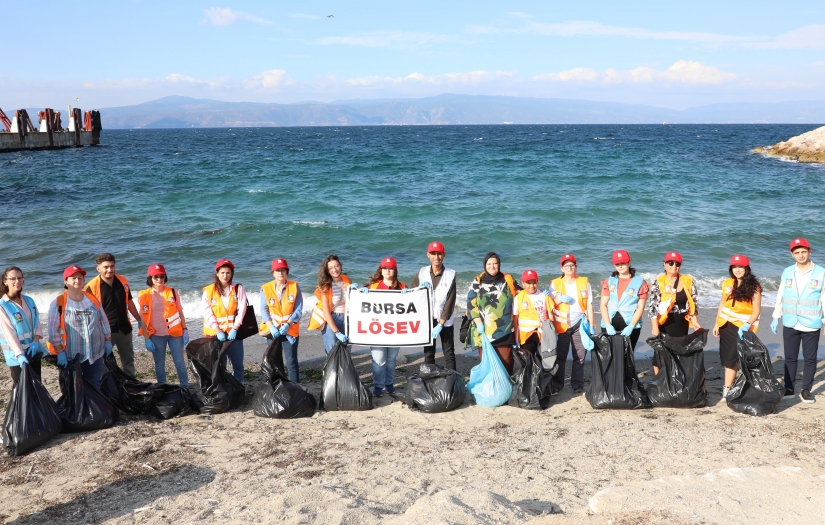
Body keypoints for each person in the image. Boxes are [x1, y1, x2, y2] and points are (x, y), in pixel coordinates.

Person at [771, 238, 824, 403]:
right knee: (790, 357)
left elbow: (824, 298)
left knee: (810, 358)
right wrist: (775, 316)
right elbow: (781, 294)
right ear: (792, 254)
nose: (800, 255)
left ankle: (806, 390)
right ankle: (789, 388)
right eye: (797, 252)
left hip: (812, 322)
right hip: (790, 321)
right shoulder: (787, 272)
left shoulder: (821, 272)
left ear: (810, 252)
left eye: (803, 252)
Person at [47, 265, 112, 390]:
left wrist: (108, 340)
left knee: (94, 384)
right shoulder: (58, 303)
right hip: (71, 355)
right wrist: (60, 352)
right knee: (72, 388)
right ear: (66, 281)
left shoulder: (92, 299)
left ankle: (93, 410)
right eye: (73, 278)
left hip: (95, 353)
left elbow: (104, 321)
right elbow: (53, 331)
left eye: (80, 278)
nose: (77, 281)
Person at [85, 253, 142, 378]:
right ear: (98, 268)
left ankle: (131, 388)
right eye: (106, 267)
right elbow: (88, 313)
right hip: (105, 332)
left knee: (129, 362)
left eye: (112, 266)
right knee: (103, 365)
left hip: (124, 329)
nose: (109, 270)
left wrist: (139, 319)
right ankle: (107, 391)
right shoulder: (90, 287)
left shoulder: (123, 281)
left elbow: (129, 302)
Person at [713, 254, 762, 398]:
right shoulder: (727, 283)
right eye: (734, 267)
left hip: (741, 327)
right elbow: (722, 303)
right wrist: (717, 323)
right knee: (726, 357)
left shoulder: (754, 287)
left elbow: (757, 310)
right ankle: (730, 385)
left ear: (746, 268)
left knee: (731, 358)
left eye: (740, 267)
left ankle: (727, 389)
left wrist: (747, 326)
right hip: (725, 325)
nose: (737, 270)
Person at [648, 251, 701, 375]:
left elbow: (694, 304)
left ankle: (676, 379)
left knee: (679, 352)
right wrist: (655, 327)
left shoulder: (688, 280)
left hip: (682, 322)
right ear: (664, 264)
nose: (674, 266)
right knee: (660, 353)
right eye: (670, 263)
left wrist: (695, 322)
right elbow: (653, 307)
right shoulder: (659, 281)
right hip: (665, 322)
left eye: (677, 264)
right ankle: (659, 380)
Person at [548, 253, 594, 394]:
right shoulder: (554, 284)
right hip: (562, 325)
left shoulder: (584, 282)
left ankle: (577, 384)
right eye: (566, 265)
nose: (570, 268)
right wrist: (559, 299)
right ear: (561, 268)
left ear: (576, 267)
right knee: (560, 356)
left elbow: (590, 304)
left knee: (579, 356)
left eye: (572, 265)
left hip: (580, 323)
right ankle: (558, 383)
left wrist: (591, 325)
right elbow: (549, 305)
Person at [137, 264, 189, 388]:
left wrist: (185, 329)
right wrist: (147, 339)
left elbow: (180, 311)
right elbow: (143, 319)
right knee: (159, 364)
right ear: (150, 278)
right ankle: (162, 387)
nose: (159, 279)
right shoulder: (144, 295)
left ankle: (185, 387)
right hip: (156, 335)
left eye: (161, 276)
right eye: (156, 277)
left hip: (175, 334)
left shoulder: (172, 292)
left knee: (179, 362)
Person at [467, 252, 519, 374]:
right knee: (487, 363)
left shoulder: (508, 279)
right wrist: (478, 322)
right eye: (489, 264)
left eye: (495, 263)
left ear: (499, 264)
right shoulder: (478, 281)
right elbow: (470, 303)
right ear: (485, 265)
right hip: (483, 330)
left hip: (505, 329)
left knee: (506, 361)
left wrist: (539, 294)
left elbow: (521, 293)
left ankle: (506, 389)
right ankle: (491, 390)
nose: (492, 266)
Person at [409, 241, 458, 370]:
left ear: (444, 255)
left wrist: (441, 324)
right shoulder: (422, 272)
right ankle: (429, 381)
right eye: (433, 254)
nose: (436, 257)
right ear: (428, 255)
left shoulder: (450, 274)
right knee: (429, 353)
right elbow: (412, 293)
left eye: (439, 254)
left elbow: (450, 302)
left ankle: (452, 382)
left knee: (449, 353)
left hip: (445, 321)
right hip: (427, 319)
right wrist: (415, 289)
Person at [363, 257, 407, 397]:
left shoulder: (403, 287)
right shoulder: (373, 287)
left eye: (391, 268)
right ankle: (378, 385)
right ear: (381, 270)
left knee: (391, 359)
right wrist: (359, 293)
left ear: (395, 270)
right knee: (378, 360)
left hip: (395, 330)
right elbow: (360, 305)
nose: (388, 271)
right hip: (377, 330)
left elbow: (414, 307)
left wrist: (415, 293)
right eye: (385, 268)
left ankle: (389, 384)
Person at [202, 259, 248, 384]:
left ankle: (239, 387)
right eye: (222, 272)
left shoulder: (238, 288)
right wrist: (218, 331)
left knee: (238, 365)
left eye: (228, 273)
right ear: (217, 273)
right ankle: (223, 390)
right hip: (216, 335)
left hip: (234, 334)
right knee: (219, 366)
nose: (225, 276)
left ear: (232, 273)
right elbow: (207, 313)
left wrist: (235, 328)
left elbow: (242, 309)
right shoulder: (208, 291)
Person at [0, 267, 47, 387]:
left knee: (36, 386)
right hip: (16, 356)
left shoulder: (29, 300)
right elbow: (8, 333)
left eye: (20, 278)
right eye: (13, 278)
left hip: (32, 351)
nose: (17, 281)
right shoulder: (3, 306)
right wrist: (20, 354)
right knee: (21, 389)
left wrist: (36, 341)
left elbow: (37, 323)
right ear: (5, 281)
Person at [260, 258, 303, 383]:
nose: (280, 273)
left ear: (287, 272)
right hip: (272, 331)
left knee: (291, 362)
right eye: (277, 270)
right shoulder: (265, 288)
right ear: (273, 273)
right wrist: (271, 326)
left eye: (283, 270)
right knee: (274, 361)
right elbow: (264, 309)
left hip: (289, 331)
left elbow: (298, 310)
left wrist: (288, 324)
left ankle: (295, 388)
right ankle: (277, 388)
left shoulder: (294, 287)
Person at [599, 250, 649, 351]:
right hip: (609, 323)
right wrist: (608, 325)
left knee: (627, 357)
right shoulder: (609, 281)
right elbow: (603, 304)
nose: (620, 266)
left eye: (623, 263)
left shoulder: (640, 282)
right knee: (610, 355)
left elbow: (640, 307)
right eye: (617, 264)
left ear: (629, 263)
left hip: (630, 324)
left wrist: (631, 326)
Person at [308, 255, 354, 354]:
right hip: (331, 319)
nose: (334, 269)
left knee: (346, 350)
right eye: (331, 268)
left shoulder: (346, 279)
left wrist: (360, 291)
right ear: (327, 270)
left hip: (346, 319)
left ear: (341, 266)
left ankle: (344, 370)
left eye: (336, 266)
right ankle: (331, 370)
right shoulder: (325, 286)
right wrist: (337, 332)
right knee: (332, 352)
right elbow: (326, 312)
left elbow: (352, 299)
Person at [513, 269, 554, 355]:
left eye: (534, 282)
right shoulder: (518, 298)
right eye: (528, 283)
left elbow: (550, 315)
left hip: (542, 335)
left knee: (543, 361)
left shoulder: (543, 295)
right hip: (525, 336)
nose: (532, 285)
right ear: (523, 283)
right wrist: (516, 339)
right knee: (528, 363)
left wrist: (553, 333)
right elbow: (515, 320)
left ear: (537, 282)